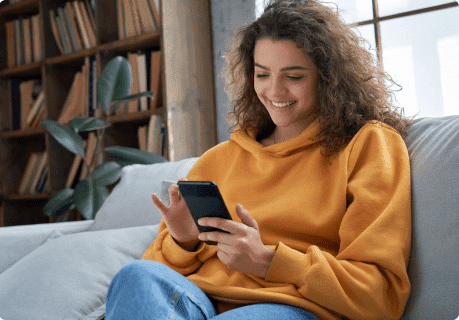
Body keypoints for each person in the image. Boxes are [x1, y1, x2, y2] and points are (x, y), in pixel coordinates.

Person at [105, 0, 415, 319]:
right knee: (134, 276)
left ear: (328, 77)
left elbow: (379, 294)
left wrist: (268, 261)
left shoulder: (367, 145)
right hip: (199, 300)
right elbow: (152, 287)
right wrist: (183, 242)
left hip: (290, 306)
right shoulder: (219, 159)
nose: (274, 91)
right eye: (262, 74)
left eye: (293, 76)